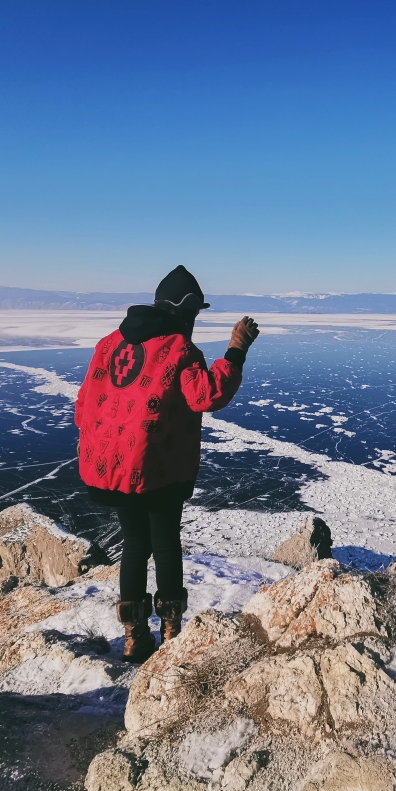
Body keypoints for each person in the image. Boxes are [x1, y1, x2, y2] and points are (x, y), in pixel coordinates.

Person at [75, 265, 259, 663]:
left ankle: (134, 637)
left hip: (112, 465)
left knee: (134, 544)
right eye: (193, 313)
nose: (193, 322)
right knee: (164, 541)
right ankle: (171, 634)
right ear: (185, 310)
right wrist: (236, 350)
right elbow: (206, 396)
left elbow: (84, 404)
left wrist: (112, 440)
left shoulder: (108, 344)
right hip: (159, 467)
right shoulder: (178, 348)